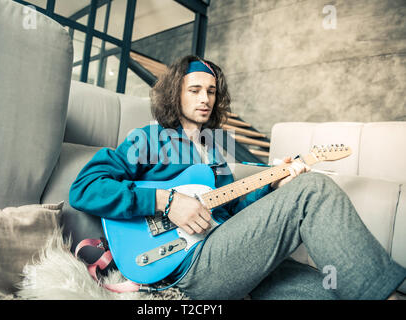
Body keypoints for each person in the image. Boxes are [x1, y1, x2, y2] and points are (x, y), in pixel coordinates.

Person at [69, 55, 406, 300]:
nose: (205, 99)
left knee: (332, 290)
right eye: (195, 90)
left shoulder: (213, 149)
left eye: (211, 91)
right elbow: (85, 188)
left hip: (229, 256)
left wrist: (273, 184)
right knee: (312, 189)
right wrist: (167, 201)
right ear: (176, 94)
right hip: (186, 266)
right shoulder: (147, 139)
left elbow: (230, 210)